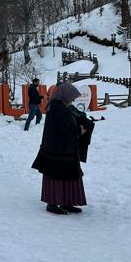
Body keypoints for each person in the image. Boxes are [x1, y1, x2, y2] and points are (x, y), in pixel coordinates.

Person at [31, 83, 88, 215]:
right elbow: (65, 127)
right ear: (65, 95)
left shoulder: (59, 106)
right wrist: (79, 130)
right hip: (57, 151)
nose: (72, 100)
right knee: (56, 176)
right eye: (71, 97)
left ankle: (66, 202)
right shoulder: (57, 107)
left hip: (61, 149)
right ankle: (52, 203)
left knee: (66, 175)